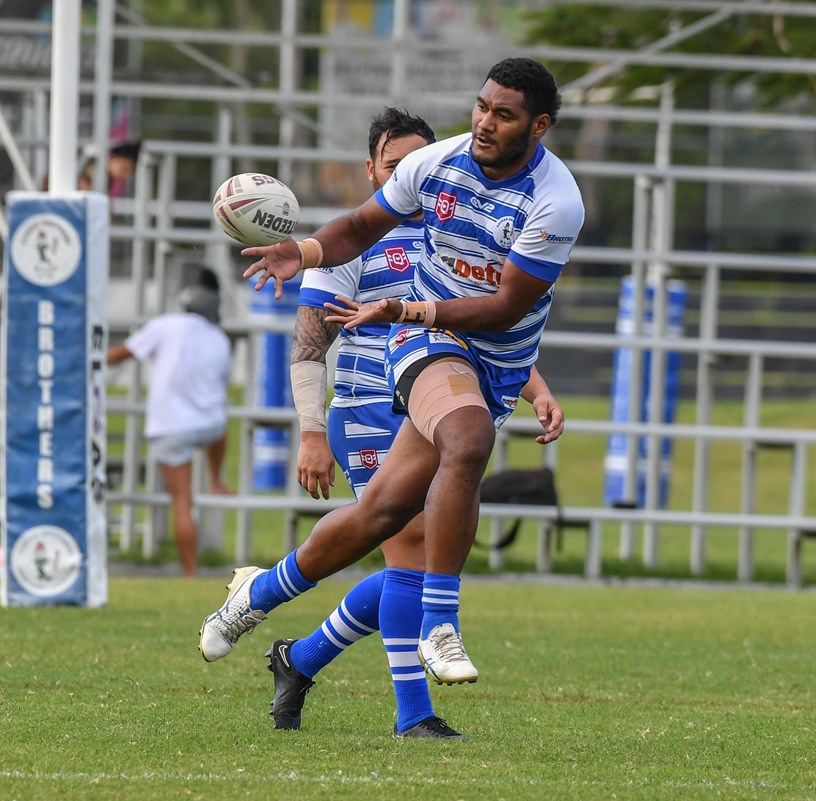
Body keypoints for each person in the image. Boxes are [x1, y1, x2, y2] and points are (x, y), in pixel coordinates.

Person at [200, 57, 584, 691]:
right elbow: (356, 227)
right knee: (467, 444)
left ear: (539, 126)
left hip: (494, 357)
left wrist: (532, 384)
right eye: (482, 106)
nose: (485, 122)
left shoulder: (555, 202)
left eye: (504, 114)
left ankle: (257, 594)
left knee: (381, 513)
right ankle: (440, 625)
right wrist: (305, 251)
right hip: (422, 346)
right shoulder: (435, 166)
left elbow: (509, 307)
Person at [266, 107, 565, 739]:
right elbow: (309, 343)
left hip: (433, 395)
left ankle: (298, 655)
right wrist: (311, 430)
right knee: (411, 557)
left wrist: (534, 385)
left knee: (416, 560)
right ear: (371, 169)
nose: (407, 173)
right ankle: (413, 713)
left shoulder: (444, 231)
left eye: (415, 163)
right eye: (393, 164)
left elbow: (486, 319)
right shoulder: (349, 242)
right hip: (366, 408)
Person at [107, 267, 233, 577]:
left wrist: (90, 358)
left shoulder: (165, 325)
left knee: (182, 502)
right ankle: (217, 481)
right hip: (210, 425)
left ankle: (190, 572)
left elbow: (119, 355)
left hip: (171, 427)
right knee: (219, 425)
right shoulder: (220, 338)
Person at [77, 140, 142, 195]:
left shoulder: (107, 180)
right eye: (124, 169)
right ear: (112, 156)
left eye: (130, 172)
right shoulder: (93, 173)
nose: (125, 176)